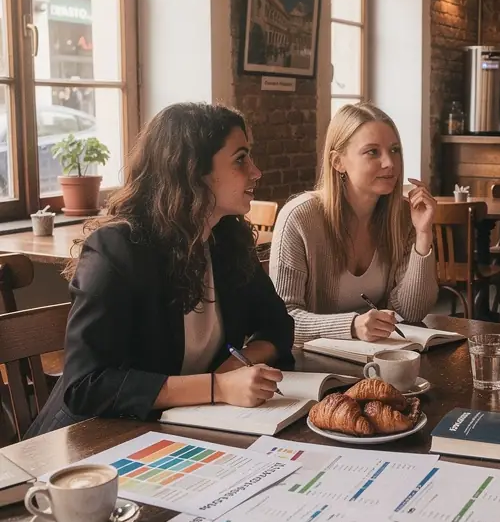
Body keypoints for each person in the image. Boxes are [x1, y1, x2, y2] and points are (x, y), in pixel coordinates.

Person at [30, 103, 294, 435]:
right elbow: (87, 385)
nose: (256, 171)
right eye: (240, 159)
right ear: (193, 171)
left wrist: (236, 364)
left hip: (180, 428)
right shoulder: (117, 249)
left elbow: (278, 325)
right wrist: (217, 386)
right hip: (90, 440)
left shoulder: (228, 240)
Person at [270, 102, 438, 344]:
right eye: (373, 152)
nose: (390, 163)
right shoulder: (299, 218)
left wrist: (423, 234)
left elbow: (411, 313)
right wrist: (351, 326)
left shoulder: (403, 215)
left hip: (375, 359)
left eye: (395, 150)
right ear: (338, 162)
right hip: (311, 367)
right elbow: (282, 320)